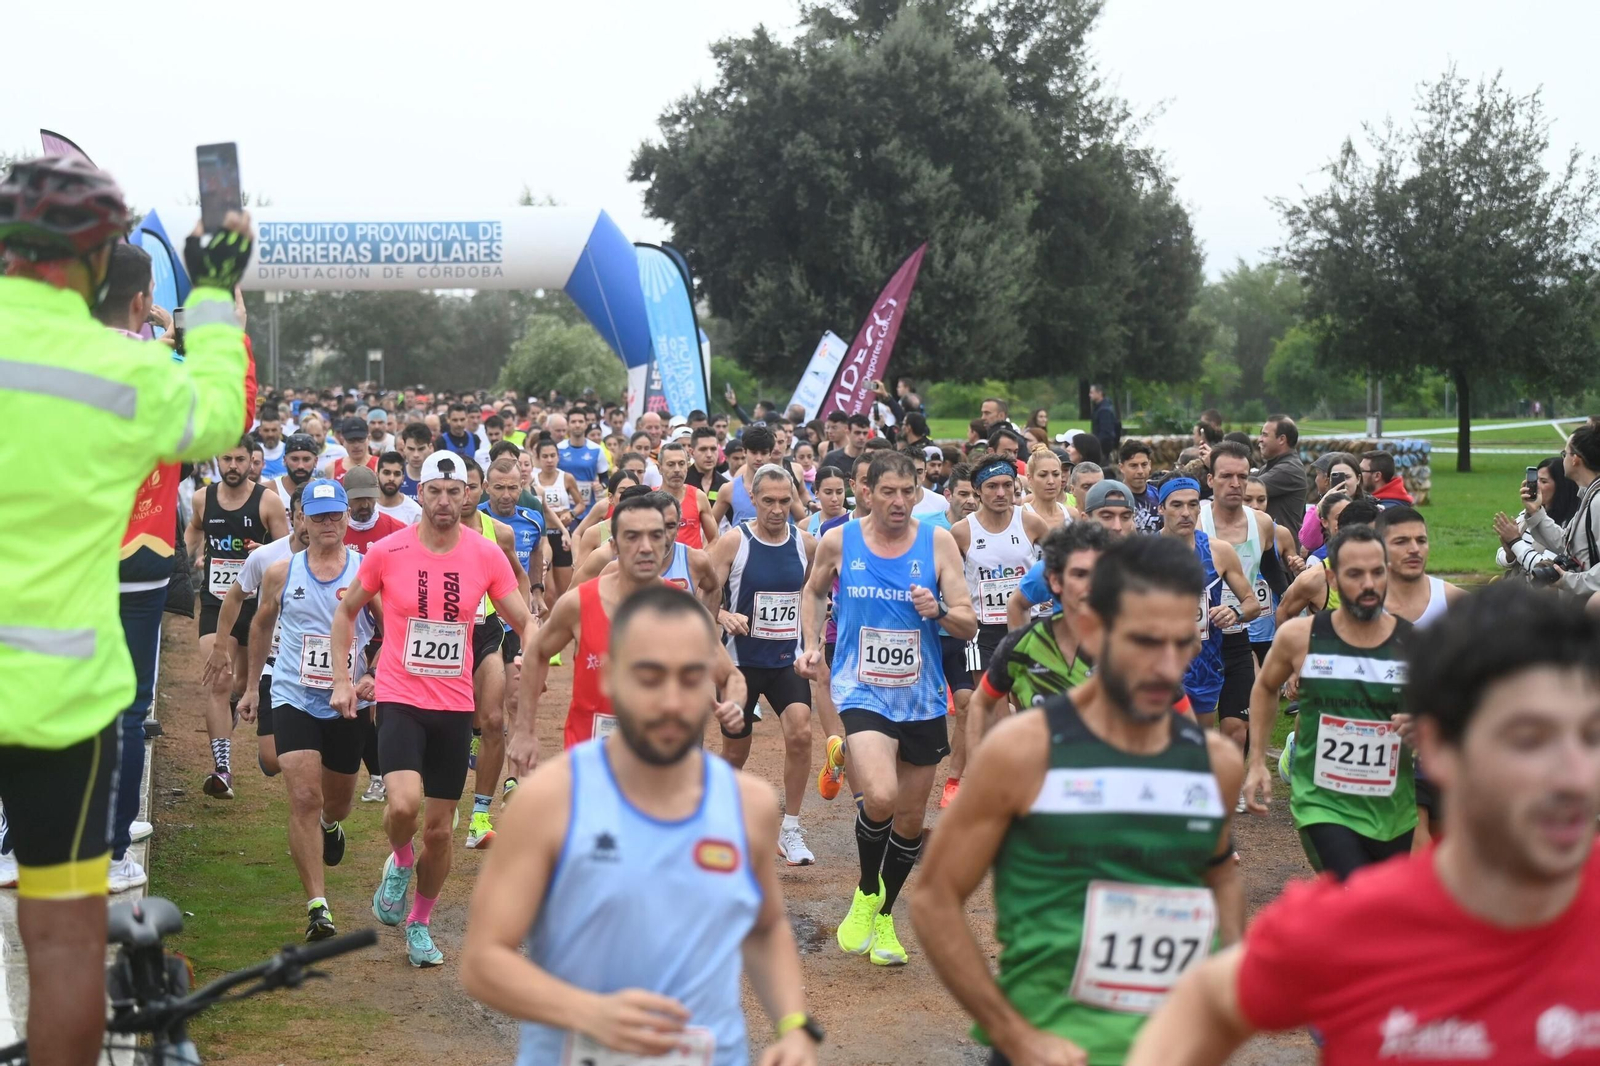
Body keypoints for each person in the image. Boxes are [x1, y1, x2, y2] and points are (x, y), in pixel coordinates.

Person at [1127, 582, 1600, 1066]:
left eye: (1591, 735)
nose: (1575, 776)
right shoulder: (1344, 925)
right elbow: (1201, 1006)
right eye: (1528, 739)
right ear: (1436, 747)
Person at [0, 156, 251, 1066]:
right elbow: (222, 415)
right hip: (65, 706)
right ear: (105, 263)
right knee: (64, 946)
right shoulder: (123, 371)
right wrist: (216, 285)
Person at [460, 586, 822, 1066]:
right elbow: (484, 961)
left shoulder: (748, 805)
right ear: (611, 678)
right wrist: (587, 1012)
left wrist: (794, 1027)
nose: (672, 701)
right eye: (650, 678)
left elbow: (764, 926)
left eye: (691, 678)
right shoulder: (550, 801)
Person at [918, 535, 1243, 1066]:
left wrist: (1226, 988)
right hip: (1056, 1046)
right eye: (1145, 642)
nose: (1168, 667)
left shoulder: (1213, 763)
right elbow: (934, 900)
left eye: (1183, 643)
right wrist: (1015, 1035)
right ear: (1095, 627)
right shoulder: (1022, 754)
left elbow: (1220, 872)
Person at [329, 450, 537, 967]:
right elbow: (347, 611)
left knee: (441, 831)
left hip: (454, 704)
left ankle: (420, 923)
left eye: (454, 491)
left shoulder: (485, 554)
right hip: (400, 697)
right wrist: (342, 679)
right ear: (420, 494)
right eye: (435, 491)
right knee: (402, 806)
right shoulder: (387, 550)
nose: (444, 501)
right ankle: (400, 862)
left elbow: (523, 618)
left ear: (468, 495)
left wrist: (531, 654)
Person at [798, 451, 978, 966]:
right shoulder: (840, 539)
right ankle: (865, 890)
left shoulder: (937, 541)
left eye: (908, 491)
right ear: (868, 493)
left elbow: (968, 622)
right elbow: (812, 593)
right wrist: (810, 644)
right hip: (862, 689)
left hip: (921, 695)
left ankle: (884, 915)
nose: (899, 502)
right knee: (879, 795)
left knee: (909, 819)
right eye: (888, 492)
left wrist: (939, 611)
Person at [508, 493, 747, 763]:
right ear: (615, 545)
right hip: (590, 762)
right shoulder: (580, 603)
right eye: (632, 536)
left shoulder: (685, 610)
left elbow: (731, 677)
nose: (645, 547)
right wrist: (524, 732)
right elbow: (538, 653)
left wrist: (734, 705)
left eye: (656, 536)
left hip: (659, 762)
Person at [238, 480, 376, 942]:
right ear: (301, 520)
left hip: (348, 701)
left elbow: (391, 626)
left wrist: (373, 671)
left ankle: (330, 825)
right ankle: (318, 906)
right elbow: (260, 626)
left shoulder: (365, 570)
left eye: (335, 515)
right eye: (318, 517)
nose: (328, 524)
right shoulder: (281, 573)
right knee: (302, 795)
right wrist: (255, 687)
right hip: (293, 692)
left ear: (345, 518)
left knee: (335, 801)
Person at [1244, 525, 1416, 879]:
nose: (1368, 584)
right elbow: (1264, 688)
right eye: (1355, 574)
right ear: (1332, 579)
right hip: (1322, 799)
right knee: (1354, 889)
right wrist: (1257, 760)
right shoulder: (1300, 637)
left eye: (1377, 572)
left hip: (1391, 807)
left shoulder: (1412, 643)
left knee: (1379, 910)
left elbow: (1443, 708)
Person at [709, 466, 819, 866]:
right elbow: (701, 594)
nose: (777, 509)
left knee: (802, 733)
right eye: (769, 501)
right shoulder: (733, 543)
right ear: (752, 500)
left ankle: (790, 827)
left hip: (785, 660)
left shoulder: (806, 544)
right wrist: (722, 615)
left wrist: (812, 642)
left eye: (785, 501)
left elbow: (813, 596)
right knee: (736, 750)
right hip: (740, 664)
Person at [186, 437, 290, 797]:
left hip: (257, 606)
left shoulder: (268, 502)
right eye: (227, 459)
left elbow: (288, 551)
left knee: (240, 682)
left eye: (240, 459)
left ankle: (233, 706)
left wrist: (262, 554)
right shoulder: (202, 498)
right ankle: (222, 768)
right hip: (216, 602)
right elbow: (196, 527)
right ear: (217, 461)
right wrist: (189, 554)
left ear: (252, 462)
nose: (233, 465)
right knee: (218, 679)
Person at [950, 457, 1051, 806]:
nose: (1001, 492)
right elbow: (946, 577)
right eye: (992, 486)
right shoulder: (962, 532)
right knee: (992, 705)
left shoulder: (1030, 522)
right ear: (977, 491)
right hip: (984, 631)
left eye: (1007, 484)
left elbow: (1060, 562)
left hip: (1029, 627)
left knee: (1029, 703)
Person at [967, 522, 1109, 755]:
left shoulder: (1130, 647)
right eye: (1079, 574)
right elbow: (980, 703)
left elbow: (1175, 713)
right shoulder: (1021, 646)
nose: (1089, 586)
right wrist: (975, 774)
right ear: (1055, 581)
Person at [1375, 505, 1465, 845]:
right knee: (1416, 833)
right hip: (1384, 747)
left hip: (1441, 741)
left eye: (1421, 540)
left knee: (1443, 842)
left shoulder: (1454, 601)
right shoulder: (1366, 605)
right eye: (1401, 541)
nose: (1414, 549)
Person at [1198, 442, 1288, 758]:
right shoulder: (1195, 521)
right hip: (1198, 640)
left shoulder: (1261, 523)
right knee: (1198, 726)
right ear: (1210, 480)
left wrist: (1293, 598)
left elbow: (1272, 573)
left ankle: (1231, 790)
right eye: (1226, 476)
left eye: (1242, 476)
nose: (1235, 484)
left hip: (1238, 635)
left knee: (1237, 729)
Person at [1156, 478, 1261, 726]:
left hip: (1205, 665)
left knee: (1199, 745)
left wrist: (1234, 612)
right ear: (1161, 508)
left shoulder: (1219, 551)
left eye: (1192, 505)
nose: (1185, 513)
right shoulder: (1142, 552)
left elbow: (1252, 604)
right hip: (1159, 664)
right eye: (1176, 505)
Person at [1004, 480, 1137, 627]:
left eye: (1125, 517)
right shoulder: (1063, 564)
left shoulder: (1145, 566)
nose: (1117, 527)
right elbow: (1017, 604)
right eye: (1107, 516)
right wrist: (1022, 648)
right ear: (1086, 519)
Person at [1504, 424, 1600, 598]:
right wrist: (1535, 512)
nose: (1562, 459)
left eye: (1564, 454)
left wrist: (1569, 580)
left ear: (1575, 459)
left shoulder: (1598, 502)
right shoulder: (1589, 496)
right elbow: (1567, 544)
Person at [1273, 497, 1382, 621]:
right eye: (1362, 538)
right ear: (1340, 533)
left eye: (1375, 537)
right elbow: (1283, 613)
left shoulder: (1393, 572)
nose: (1369, 544)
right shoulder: (1315, 579)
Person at [1495, 454, 1581, 581]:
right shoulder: (1528, 514)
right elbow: (1499, 556)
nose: (1536, 486)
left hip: (1539, 596)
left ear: (1562, 486)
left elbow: (1545, 569)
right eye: (1536, 480)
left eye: (1544, 481)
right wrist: (1510, 554)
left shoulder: (1568, 524)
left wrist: (1515, 543)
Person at [533, 437, 582, 608]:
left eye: (553, 455)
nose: (549, 460)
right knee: (548, 592)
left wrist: (572, 513)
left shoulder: (566, 478)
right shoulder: (532, 480)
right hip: (542, 537)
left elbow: (581, 503)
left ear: (558, 457)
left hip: (561, 537)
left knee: (566, 590)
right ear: (538, 458)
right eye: (545, 456)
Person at [1256, 414, 1308, 549]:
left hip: (1282, 558)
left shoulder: (1289, 469)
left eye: (1265, 435)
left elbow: (1247, 488)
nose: (1259, 440)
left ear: (1282, 439)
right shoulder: (1272, 466)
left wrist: (1218, 467)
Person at [660, 439, 718, 548]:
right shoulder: (649, 499)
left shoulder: (698, 496)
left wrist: (702, 559)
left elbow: (714, 538)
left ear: (687, 467)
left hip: (691, 564)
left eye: (681, 464)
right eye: (671, 464)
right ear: (660, 468)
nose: (677, 470)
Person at [557, 406, 610, 518]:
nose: (577, 425)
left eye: (580, 421)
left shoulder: (596, 449)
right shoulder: (558, 449)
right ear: (568, 425)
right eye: (573, 421)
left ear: (586, 424)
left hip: (588, 508)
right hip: (564, 508)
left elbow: (605, 479)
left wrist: (601, 485)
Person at [339, 466, 404, 554]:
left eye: (369, 498)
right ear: (345, 497)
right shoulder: (334, 532)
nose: (365, 504)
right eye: (358, 498)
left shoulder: (397, 531)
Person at [1117, 440, 1162, 533]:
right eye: (1134, 466)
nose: (1140, 471)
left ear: (1150, 465)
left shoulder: (1160, 497)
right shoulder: (1114, 498)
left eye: (1144, 465)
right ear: (1121, 467)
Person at [375, 450, 423, 525]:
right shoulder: (367, 507)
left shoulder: (415, 513)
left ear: (403, 478)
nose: (391, 478)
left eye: (397, 474)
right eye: (386, 473)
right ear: (377, 475)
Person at [1089, 383, 1120, 459]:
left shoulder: (1104, 410)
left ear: (1099, 393)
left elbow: (1106, 432)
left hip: (1103, 449)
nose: (1089, 395)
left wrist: (1095, 445)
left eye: (1092, 393)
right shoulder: (1100, 408)